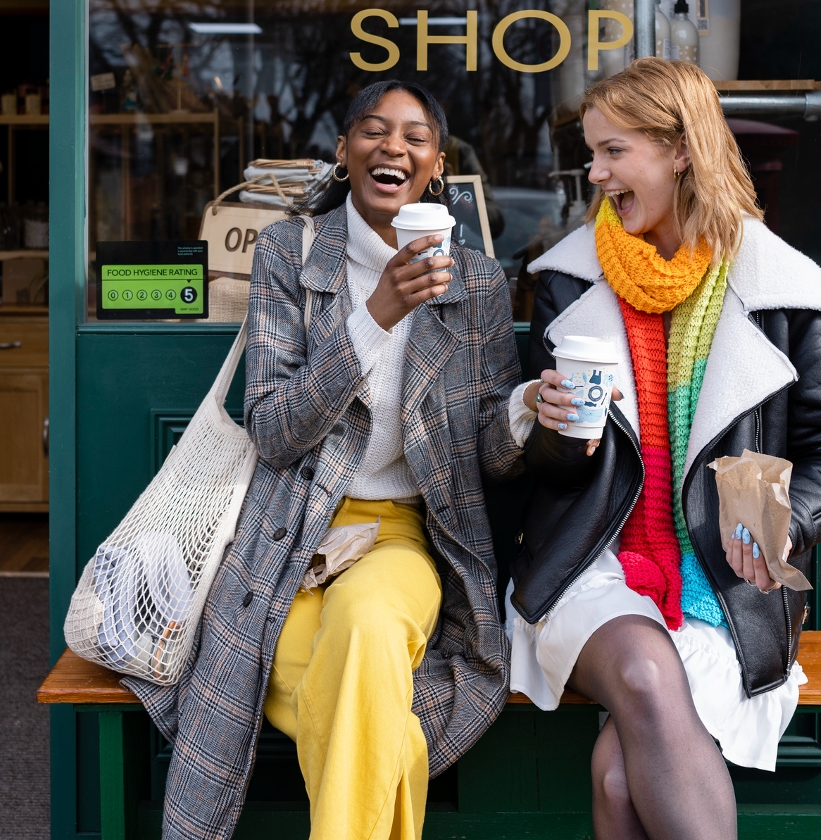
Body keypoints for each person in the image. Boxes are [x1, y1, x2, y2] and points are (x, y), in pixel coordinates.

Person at [125, 80, 527, 840]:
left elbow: (490, 456)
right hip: (287, 532)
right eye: (373, 131)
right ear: (344, 153)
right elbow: (275, 430)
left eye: (415, 137)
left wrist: (527, 413)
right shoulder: (290, 252)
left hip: (403, 531)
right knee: (368, 696)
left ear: (436, 168)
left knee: (370, 628)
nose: (393, 148)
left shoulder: (473, 282)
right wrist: (377, 315)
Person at [507, 58, 821, 839]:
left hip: (723, 581)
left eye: (615, 151)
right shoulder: (568, 283)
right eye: (592, 153)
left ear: (679, 151)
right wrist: (548, 428)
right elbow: (546, 477)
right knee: (642, 670)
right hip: (593, 564)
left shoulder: (779, 287)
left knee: (616, 777)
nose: (596, 173)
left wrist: (781, 523)